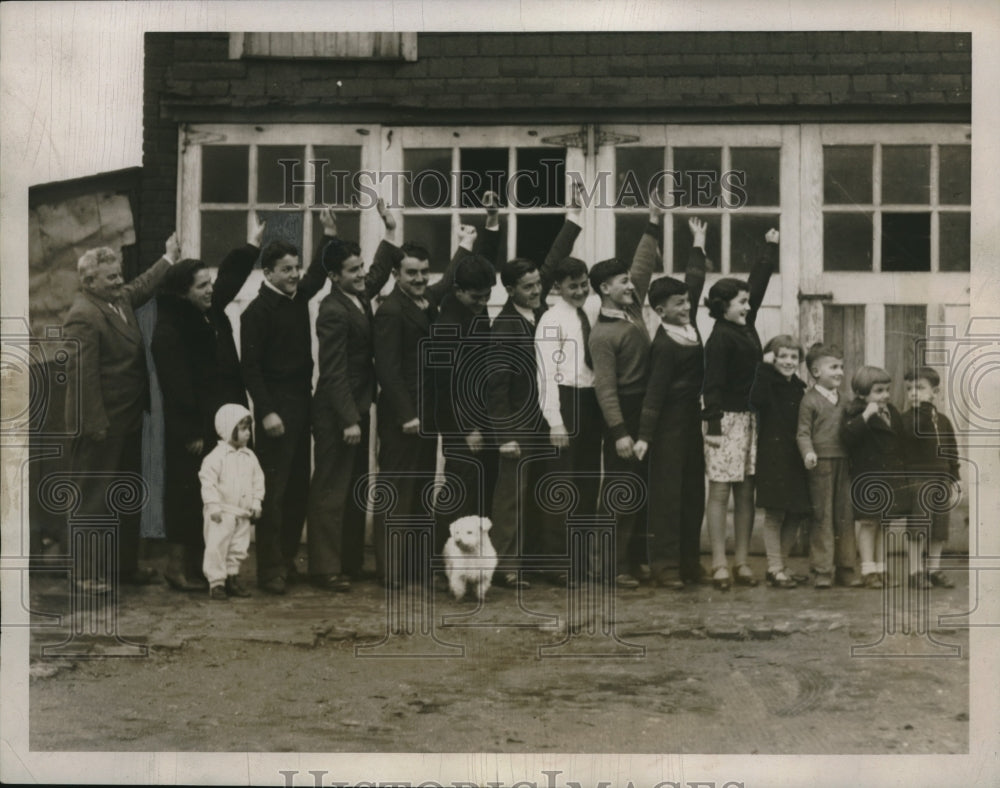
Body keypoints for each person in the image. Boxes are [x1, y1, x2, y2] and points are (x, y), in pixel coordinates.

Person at [151, 215, 265, 592]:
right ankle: (176, 567)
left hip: (221, 426)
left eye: (209, 283)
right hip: (194, 429)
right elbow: (176, 387)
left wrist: (251, 245)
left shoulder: (210, 311)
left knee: (219, 494)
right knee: (188, 494)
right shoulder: (171, 329)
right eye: (201, 286)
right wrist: (189, 433)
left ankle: (206, 566)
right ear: (183, 292)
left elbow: (230, 278)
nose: (210, 290)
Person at [63, 232, 180, 594]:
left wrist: (169, 258)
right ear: (89, 281)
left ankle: (122, 567)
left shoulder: (117, 300)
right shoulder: (83, 316)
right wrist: (95, 424)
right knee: (94, 498)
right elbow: (82, 380)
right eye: (112, 276)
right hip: (102, 423)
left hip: (127, 420)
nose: (119, 281)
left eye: (119, 274)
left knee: (126, 495)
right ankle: (84, 573)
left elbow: (141, 286)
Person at [488, 190, 584, 589]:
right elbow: (496, 388)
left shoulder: (545, 312)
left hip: (549, 419)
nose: (535, 290)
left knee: (550, 491)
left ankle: (549, 562)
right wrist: (505, 435)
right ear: (510, 290)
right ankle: (506, 567)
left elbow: (551, 260)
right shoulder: (504, 327)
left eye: (537, 285)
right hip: (518, 424)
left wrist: (573, 218)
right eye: (527, 287)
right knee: (511, 496)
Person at [306, 204, 397, 591]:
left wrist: (390, 230)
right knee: (331, 487)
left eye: (361, 267)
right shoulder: (332, 311)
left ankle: (349, 562)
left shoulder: (355, 295)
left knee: (353, 485)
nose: (362, 275)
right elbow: (333, 371)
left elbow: (377, 273)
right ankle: (325, 568)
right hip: (336, 413)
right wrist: (347, 419)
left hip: (357, 409)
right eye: (353, 270)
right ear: (332, 277)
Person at [372, 223, 465, 586]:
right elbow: (388, 369)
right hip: (403, 418)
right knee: (396, 489)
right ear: (396, 274)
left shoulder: (425, 303)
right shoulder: (391, 310)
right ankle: (391, 570)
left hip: (427, 415)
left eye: (425, 272)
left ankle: (414, 565)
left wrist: (468, 245)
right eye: (411, 273)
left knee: (422, 487)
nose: (420, 278)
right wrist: (407, 414)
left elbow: (449, 280)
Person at [239, 234, 328, 594]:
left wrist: (329, 238)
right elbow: (251, 368)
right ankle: (270, 570)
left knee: (296, 490)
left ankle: (288, 559)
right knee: (273, 493)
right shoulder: (256, 312)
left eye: (296, 267)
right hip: (275, 410)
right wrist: (267, 412)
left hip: (301, 405)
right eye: (286, 269)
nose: (294, 275)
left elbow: (317, 277)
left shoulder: (297, 297)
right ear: (267, 273)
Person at [699, 226, 779, 590]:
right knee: (719, 492)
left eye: (748, 302)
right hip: (724, 422)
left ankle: (743, 562)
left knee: (746, 491)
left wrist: (769, 250)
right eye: (741, 303)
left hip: (750, 422)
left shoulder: (744, 325)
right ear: (723, 307)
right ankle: (718, 563)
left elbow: (757, 289)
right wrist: (713, 426)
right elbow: (710, 386)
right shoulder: (719, 339)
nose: (749, 306)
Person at [633, 216, 708, 589]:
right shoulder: (662, 344)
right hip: (666, 428)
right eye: (679, 304)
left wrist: (697, 243)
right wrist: (645, 436)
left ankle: (690, 563)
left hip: (690, 422)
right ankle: (665, 567)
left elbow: (693, 282)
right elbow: (654, 393)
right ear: (660, 311)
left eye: (687, 302)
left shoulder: (688, 324)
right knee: (667, 497)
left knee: (694, 493)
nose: (687, 306)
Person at [587, 205, 659, 589]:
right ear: (604, 289)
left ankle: (635, 560)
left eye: (629, 281)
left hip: (644, 409)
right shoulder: (602, 336)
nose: (630, 286)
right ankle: (611, 567)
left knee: (641, 488)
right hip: (623, 415)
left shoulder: (631, 309)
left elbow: (643, 267)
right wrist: (619, 433)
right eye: (622, 282)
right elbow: (605, 388)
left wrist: (653, 223)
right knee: (620, 490)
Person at [430, 194, 501, 559]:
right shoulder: (447, 326)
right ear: (456, 291)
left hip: (481, 416)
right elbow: (448, 387)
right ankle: (443, 559)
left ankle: (473, 560)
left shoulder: (473, 297)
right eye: (476, 297)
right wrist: (468, 428)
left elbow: (483, 262)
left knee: (480, 489)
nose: (482, 301)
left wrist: (492, 221)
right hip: (459, 423)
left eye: (487, 296)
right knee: (460, 490)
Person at [748, 335, 811, 589]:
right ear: (771, 358)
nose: (788, 361)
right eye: (782, 356)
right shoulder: (766, 382)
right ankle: (774, 568)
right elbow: (756, 401)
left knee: (796, 512)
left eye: (793, 357)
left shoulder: (799, 387)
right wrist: (763, 368)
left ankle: (781, 565)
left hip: (795, 456)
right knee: (774, 513)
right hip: (773, 455)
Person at [841, 365, 911, 589]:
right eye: (879, 391)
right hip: (868, 478)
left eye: (887, 390)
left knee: (885, 523)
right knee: (869, 523)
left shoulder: (892, 412)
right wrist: (866, 415)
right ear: (862, 394)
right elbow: (847, 438)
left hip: (889, 478)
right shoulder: (854, 414)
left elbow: (900, 443)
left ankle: (882, 568)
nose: (885, 395)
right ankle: (868, 569)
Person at [796, 343, 858, 589]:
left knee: (845, 515)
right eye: (834, 367)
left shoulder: (846, 401)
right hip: (820, 465)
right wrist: (809, 453)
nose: (840, 372)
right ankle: (822, 570)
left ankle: (846, 568)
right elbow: (802, 433)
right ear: (815, 371)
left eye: (841, 367)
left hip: (845, 463)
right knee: (823, 516)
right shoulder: (809, 401)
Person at [900, 366, 961, 589]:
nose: (913, 393)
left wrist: (954, 476)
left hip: (940, 479)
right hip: (918, 479)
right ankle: (915, 572)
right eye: (909, 389)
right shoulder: (907, 419)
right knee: (918, 527)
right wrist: (923, 409)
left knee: (939, 528)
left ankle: (933, 569)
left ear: (935, 392)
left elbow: (951, 450)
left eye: (920, 388)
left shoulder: (943, 420)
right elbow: (915, 432)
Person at [199, 403, 264, 600]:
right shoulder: (216, 457)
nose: (247, 434)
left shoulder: (250, 456)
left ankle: (232, 578)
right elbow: (208, 482)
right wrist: (213, 506)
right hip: (222, 513)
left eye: (248, 429)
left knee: (238, 546)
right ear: (228, 430)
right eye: (242, 429)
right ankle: (217, 582)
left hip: (241, 513)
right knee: (217, 546)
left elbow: (258, 481)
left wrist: (256, 503)